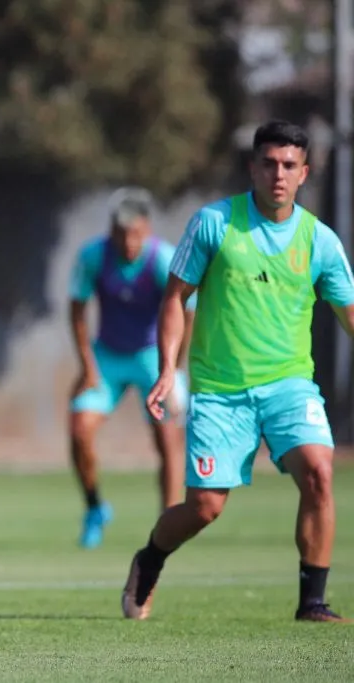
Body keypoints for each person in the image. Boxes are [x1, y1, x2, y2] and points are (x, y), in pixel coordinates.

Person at [122, 120, 354, 623]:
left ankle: (312, 601)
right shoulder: (213, 224)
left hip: (290, 384)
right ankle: (150, 558)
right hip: (220, 391)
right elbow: (174, 298)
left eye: (289, 165)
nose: (278, 174)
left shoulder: (321, 242)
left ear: (304, 173)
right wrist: (167, 370)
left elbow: (349, 314)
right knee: (205, 506)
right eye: (269, 163)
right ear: (253, 167)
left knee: (318, 471)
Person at [68, 187, 193, 549]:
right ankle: (95, 508)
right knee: (79, 430)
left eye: (136, 233)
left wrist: (173, 369)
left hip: (152, 356)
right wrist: (88, 367)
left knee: (168, 438)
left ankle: (168, 528)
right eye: (122, 234)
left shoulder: (162, 260)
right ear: (111, 230)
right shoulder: (93, 257)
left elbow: (187, 311)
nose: (129, 242)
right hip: (107, 355)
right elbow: (76, 311)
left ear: (147, 229)